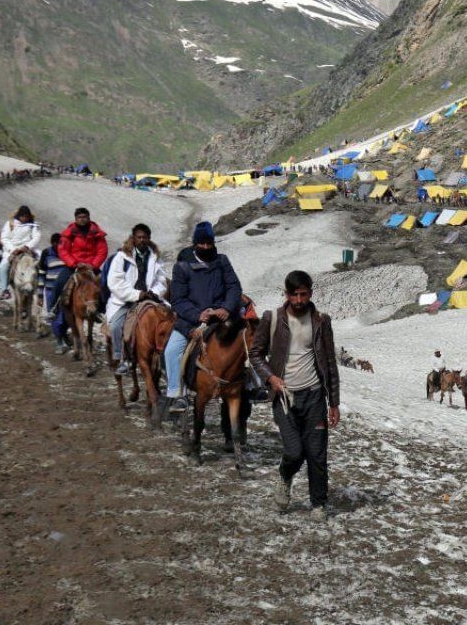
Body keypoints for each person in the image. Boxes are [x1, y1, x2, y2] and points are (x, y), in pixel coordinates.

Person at [249, 270, 340, 522]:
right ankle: (285, 476)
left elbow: (330, 363)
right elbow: (255, 354)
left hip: (314, 396)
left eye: (303, 294)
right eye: (294, 295)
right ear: (286, 294)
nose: (299, 300)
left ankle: (318, 504)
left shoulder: (321, 321)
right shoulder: (273, 319)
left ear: (310, 292)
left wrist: (334, 402)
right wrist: (271, 377)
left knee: (317, 453)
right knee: (294, 451)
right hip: (285, 398)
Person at [165, 222, 242, 413]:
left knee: (247, 341)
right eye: (202, 244)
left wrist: (226, 308)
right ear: (195, 244)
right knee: (172, 351)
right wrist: (197, 314)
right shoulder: (182, 267)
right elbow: (178, 299)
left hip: (221, 316)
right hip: (192, 319)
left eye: (209, 243)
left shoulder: (222, 261)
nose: (206, 247)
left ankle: (254, 384)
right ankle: (177, 393)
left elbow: (234, 287)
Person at [105, 224, 168, 375]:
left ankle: (166, 357)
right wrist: (135, 294)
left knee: (171, 320)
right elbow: (114, 282)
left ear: (149, 238)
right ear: (133, 238)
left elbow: (162, 280)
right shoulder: (122, 257)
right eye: (139, 237)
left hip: (150, 297)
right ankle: (122, 358)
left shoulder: (155, 257)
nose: (141, 240)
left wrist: (154, 292)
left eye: (144, 237)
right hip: (126, 300)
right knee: (116, 326)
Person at [50, 208, 108, 317]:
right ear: (75, 219)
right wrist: (74, 263)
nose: (82, 220)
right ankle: (53, 308)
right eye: (79, 217)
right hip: (74, 266)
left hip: (92, 267)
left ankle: (102, 310)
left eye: (84, 217)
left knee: (104, 284)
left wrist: (93, 265)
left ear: (89, 218)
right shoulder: (69, 234)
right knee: (59, 283)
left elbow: (102, 251)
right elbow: (63, 250)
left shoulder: (97, 234)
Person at [0, 205, 41, 299]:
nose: (25, 218)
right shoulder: (10, 224)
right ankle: (4, 290)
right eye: (23, 216)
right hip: (12, 250)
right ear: (19, 216)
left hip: (28, 248)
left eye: (27, 216)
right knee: (2, 266)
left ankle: (39, 288)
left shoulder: (33, 225)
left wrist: (27, 246)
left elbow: (36, 237)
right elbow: (4, 238)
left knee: (40, 263)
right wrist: (13, 249)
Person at [37, 233, 70, 352]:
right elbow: (41, 273)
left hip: (67, 290)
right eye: (55, 243)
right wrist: (40, 294)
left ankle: (64, 334)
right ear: (52, 243)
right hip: (50, 291)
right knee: (56, 317)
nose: (58, 246)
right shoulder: (46, 253)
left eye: (60, 243)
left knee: (65, 317)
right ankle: (59, 342)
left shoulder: (68, 253)